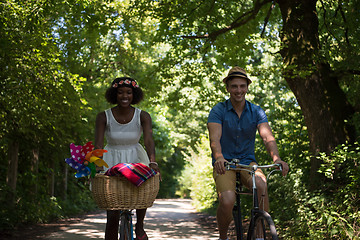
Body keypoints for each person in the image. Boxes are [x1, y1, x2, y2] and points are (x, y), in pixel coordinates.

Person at [207, 66, 289, 240]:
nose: (239, 90)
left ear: (247, 87)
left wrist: (277, 158)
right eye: (234, 86)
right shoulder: (218, 110)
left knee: (261, 184)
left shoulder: (256, 111)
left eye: (242, 86)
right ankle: (223, 236)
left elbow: (267, 137)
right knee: (228, 200)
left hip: (247, 162)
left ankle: (259, 236)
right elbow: (215, 138)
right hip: (225, 163)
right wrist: (219, 158)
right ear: (228, 88)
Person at [94, 77, 160, 240]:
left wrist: (153, 161)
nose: (125, 96)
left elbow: (149, 140)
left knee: (142, 195)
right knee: (113, 215)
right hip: (111, 158)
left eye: (129, 92)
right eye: (120, 92)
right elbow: (98, 143)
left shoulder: (143, 115)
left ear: (134, 94)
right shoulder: (103, 116)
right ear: (114, 94)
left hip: (136, 157)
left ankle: (140, 227)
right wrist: (97, 165)